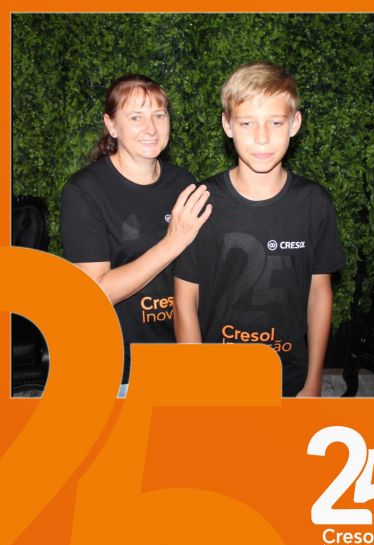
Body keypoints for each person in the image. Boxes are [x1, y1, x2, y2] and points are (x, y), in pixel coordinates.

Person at [173, 62, 344, 397]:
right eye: (247, 122)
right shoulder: (200, 202)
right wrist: (196, 382)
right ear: (227, 125)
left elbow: (319, 293)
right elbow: (184, 300)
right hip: (215, 382)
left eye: (275, 122)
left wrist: (313, 381)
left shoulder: (314, 203)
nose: (262, 137)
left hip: (289, 380)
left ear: (295, 123)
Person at [60, 74, 212, 391]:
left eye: (159, 114)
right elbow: (95, 293)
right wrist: (172, 243)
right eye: (135, 117)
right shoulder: (84, 191)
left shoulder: (183, 181)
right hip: (120, 367)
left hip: (178, 354)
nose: (151, 128)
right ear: (111, 125)